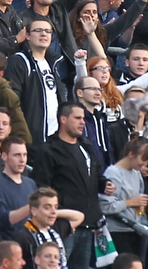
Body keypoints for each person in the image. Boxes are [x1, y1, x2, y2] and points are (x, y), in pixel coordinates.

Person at [31, 102, 115, 269]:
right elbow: (42, 188)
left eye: (83, 118)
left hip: (90, 224)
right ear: (63, 119)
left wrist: (104, 184)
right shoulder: (48, 150)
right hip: (64, 226)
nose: (83, 122)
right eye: (77, 118)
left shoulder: (87, 146)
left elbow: (96, 175)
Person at [5, 17, 67, 145]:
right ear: (27, 35)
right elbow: (12, 102)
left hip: (55, 140)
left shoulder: (53, 64)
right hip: (31, 140)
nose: (43, 34)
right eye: (38, 30)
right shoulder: (19, 61)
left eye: (47, 31)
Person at [100, 137, 148, 258]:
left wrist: (143, 225)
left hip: (137, 232)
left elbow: (141, 204)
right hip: (118, 232)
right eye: (143, 159)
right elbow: (105, 206)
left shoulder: (137, 174)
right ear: (131, 154)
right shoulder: (113, 173)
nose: (145, 164)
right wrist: (130, 202)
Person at [0, 137, 38, 239]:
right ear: (4, 156)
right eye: (17, 155)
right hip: (6, 244)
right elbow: (1, 219)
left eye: (25, 155)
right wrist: (33, 207)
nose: (22, 160)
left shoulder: (30, 183)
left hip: (30, 244)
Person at [12, 188, 71, 269]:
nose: (54, 212)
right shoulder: (22, 237)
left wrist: (53, 214)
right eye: (47, 207)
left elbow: (79, 216)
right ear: (33, 211)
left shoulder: (55, 230)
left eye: (56, 207)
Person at [75, 75, 116, 169]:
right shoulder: (75, 119)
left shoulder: (101, 119)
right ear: (80, 93)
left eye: (99, 89)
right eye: (93, 89)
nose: (98, 93)